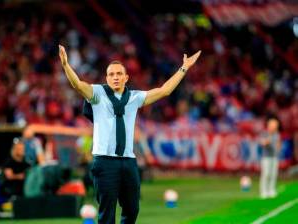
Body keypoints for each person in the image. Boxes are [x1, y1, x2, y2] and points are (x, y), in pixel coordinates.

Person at [59, 44, 201, 224]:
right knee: (106, 213)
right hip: (104, 161)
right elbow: (78, 85)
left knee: (132, 209)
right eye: (111, 74)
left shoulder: (134, 97)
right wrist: (65, 65)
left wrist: (184, 68)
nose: (115, 77)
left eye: (119, 74)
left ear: (126, 77)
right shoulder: (97, 94)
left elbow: (164, 90)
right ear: (107, 78)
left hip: (128, 161)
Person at [259, 117, 281, 199]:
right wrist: (268, 139)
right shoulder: (265, 133)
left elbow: (278, 143)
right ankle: (263, 191)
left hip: (274, 156)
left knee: (273, 174)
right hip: (266, 157)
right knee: (266, 174)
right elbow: (263, 143)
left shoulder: (277, 134)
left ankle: (271, 190)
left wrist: (278, 148)